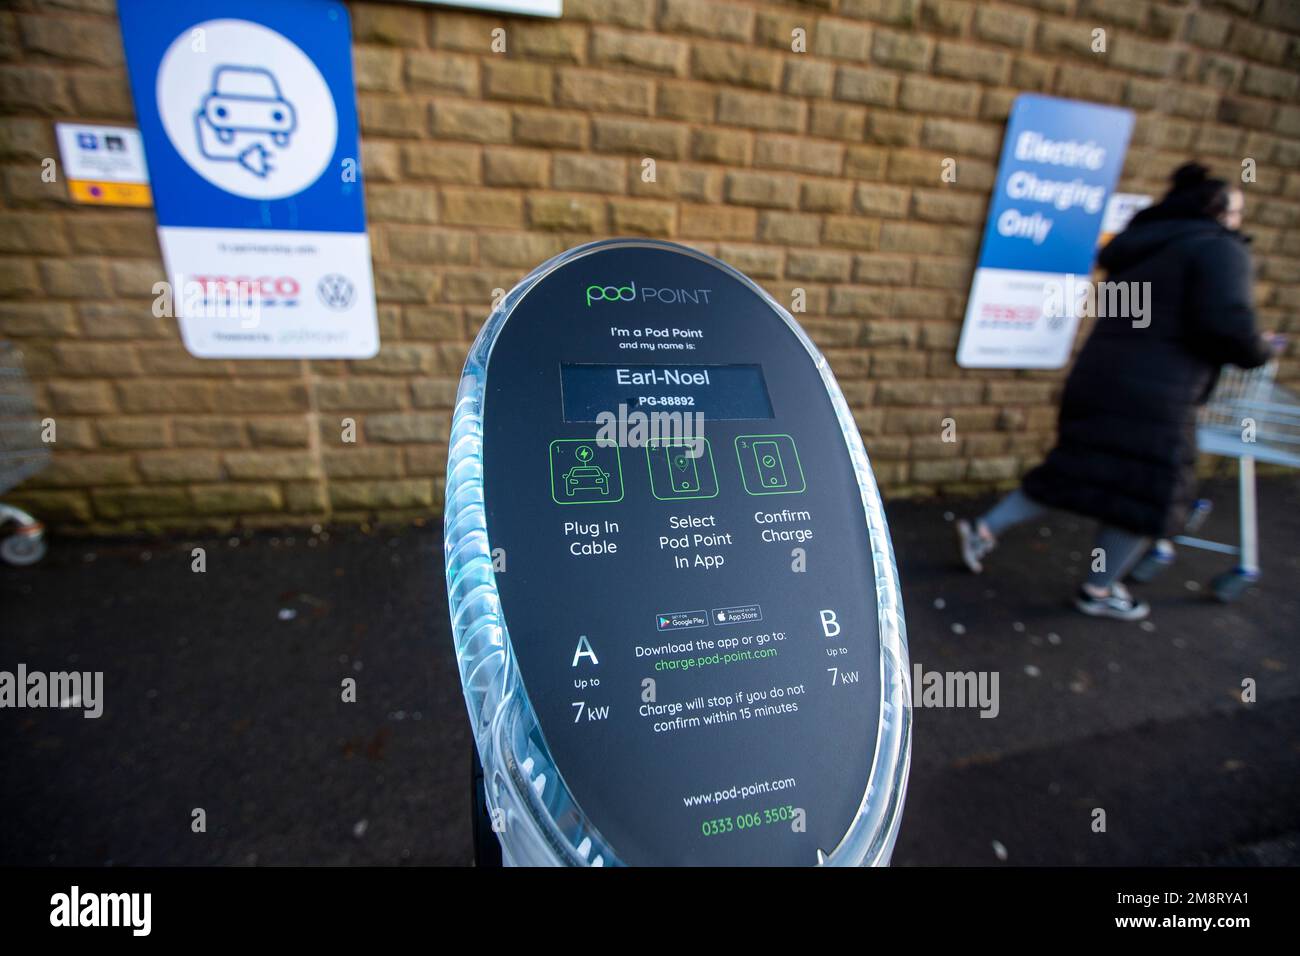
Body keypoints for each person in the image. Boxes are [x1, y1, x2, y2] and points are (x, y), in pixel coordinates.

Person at [957, 163, 1278, 620]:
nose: (1238, 221)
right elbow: (1229, 326)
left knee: (1076, 470)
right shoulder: (1217, 250)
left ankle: (984, 530)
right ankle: (1099, 589)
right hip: (1159, 395)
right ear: (1215, 209)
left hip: (1100, 379)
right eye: (1236, 211)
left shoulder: (1141, 246)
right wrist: (1261, 348)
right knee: (1146, 494)